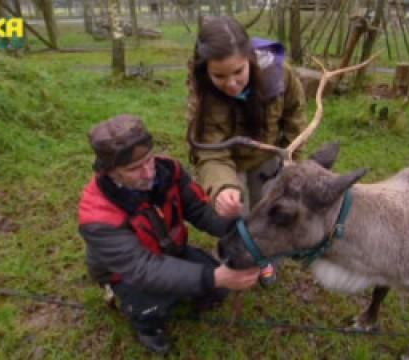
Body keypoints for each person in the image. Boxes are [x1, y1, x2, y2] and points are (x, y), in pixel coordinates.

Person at [78, 114, 260, 354]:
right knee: (154, 305)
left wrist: (233, 222)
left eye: (149, 159)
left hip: (172, 250)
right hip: (126, 275)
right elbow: (143, 269)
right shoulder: (97, 218)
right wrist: (213, 276)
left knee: (217, 291)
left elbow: (198, 210)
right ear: (110, 172)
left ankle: (189, 287)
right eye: (134, 168)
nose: (148, 172)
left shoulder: (168, 171)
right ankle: (147, 326)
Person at [186, 16, 308, 218]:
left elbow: (295, 118)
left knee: (270, 216)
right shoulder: (201, 95)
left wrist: (291, 162)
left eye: (238, 71)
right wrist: (222, 187)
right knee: (235, 219)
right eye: (219, 76)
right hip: (228, 165)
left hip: (269, 159)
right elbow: (209, 151)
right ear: (205, 71)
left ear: (250, 59)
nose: (232, 84)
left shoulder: (279, 74)